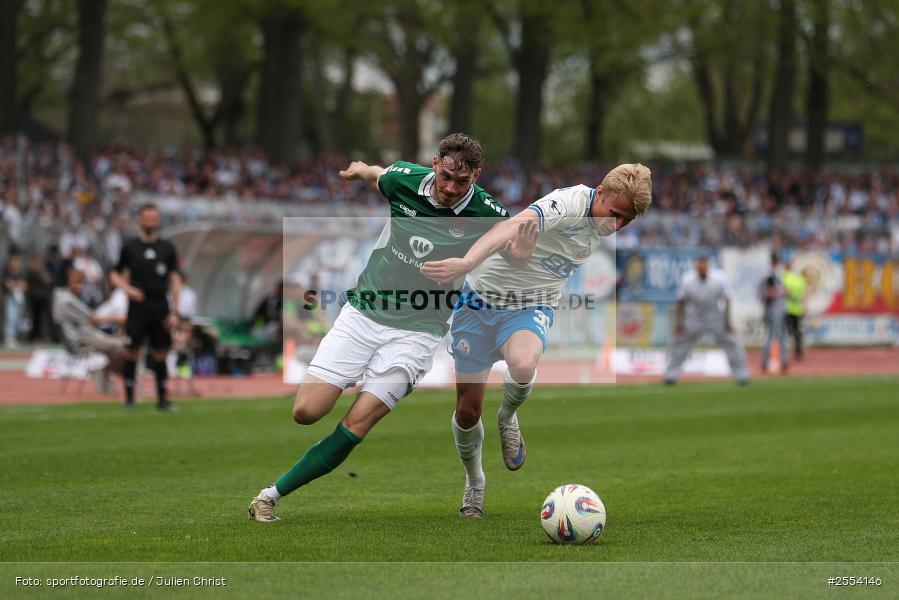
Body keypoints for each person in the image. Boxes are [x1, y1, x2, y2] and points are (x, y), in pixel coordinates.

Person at [248, 133, 524, 522]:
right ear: (434, 163)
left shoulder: (488, 211)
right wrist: (362, 171)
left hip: (418, 332)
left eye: (461, 182)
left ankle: (269, 496)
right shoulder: (403, 180)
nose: (450, 187)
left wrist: (522, 249)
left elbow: (515, 244)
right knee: (306, 412)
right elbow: (380, 174)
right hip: (363, 313)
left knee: (359, 421)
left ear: (477, 175)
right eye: (445, 176)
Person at [420, 164, 653, 517]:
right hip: (479, 302)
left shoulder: (599, 225)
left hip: (531, 305)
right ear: (600, 193)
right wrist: (466, 262)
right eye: (615, 214)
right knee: (467, 411)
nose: (617, 226)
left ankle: (508, 416)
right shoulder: (568, 203)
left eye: (627, 221)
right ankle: (475, 481)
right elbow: (511, 226)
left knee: (524, 363)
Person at [109, 203, 182, 410]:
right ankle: (129, 399)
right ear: (140, 220)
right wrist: (127, 288)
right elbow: (114, 273)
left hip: (160, 304)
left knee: (161, 352)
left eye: (154, 217)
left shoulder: (167, 248)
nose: (150, 221)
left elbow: (175, 279)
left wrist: (175, 310)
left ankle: (162, 399)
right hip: (138, 306)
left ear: (158, 221)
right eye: (147, 217)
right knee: (132, 351)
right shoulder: (131, 247)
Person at [662, 256, 750, 385]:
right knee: (680, 344)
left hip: (714, 315)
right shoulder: (688, 279)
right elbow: (681, 302)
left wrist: (727, 322)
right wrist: (679, 323)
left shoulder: (719, 278)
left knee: (732, 342)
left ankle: (742, 374)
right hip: (694, 316)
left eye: (704, 267)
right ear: (696, 268)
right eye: (699, 267)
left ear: (708, 267)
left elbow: (727, 300)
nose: (701, 269)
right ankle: (671, 374)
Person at [51, 268, 125, 372]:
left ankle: (103, 373)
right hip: (79, 340)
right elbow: (92, 319)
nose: (79, 286)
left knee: (120, 349)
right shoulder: (65, 300)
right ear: (67, 282)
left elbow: (92, 317)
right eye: (76, 282)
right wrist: (117, 319)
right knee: (122, 347)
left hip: (85, 336)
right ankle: (103, 373)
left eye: (81, 283)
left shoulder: (70, 298)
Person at [758, 253, 788, 373]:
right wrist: (782, 291)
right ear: (776, 261)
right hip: (773, 310)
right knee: (774, 337)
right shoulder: (770, 276)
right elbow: (769, 293)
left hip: (773, 309)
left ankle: (773, 362)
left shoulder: (772, 275)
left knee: (775, 337)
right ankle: (778, 362)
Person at [782, 260, 806, 362]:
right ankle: (798, 352)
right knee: (797, 332)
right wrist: (804, 307)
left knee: (787, 332)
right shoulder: (800, 279)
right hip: (798, 309)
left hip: (787, 309)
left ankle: (784, 353)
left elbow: (784, 292)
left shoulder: (785, 277)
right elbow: (804, 295)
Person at [3, 254, 27, 348]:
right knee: (10, 317)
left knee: (18, 317)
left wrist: (18, 287)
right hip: (10, 298)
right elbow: (8, 285)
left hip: (20, 297)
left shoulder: (20, 273)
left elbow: (25, 286)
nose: (16, 264)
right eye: (14, 262)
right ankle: (9, 337)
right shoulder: (6, 273)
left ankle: (15, 336)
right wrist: (17, 286)